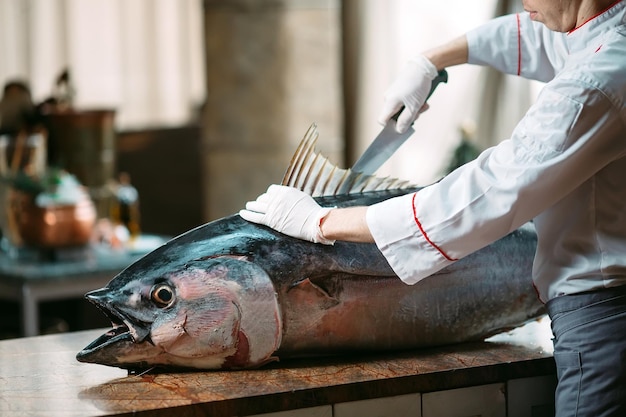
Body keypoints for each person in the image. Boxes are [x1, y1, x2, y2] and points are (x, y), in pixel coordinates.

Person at [240, 0, 626, 415]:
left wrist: (321, 220)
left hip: (604, 311)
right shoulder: (602, 32)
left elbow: (483, 195)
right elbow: (533, 34)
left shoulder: (595, 81)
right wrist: (431, 59)